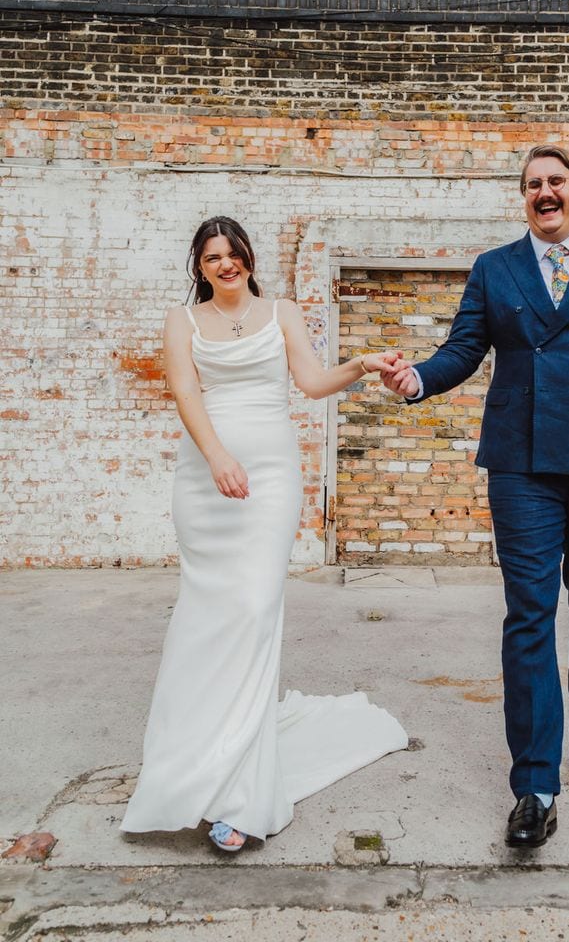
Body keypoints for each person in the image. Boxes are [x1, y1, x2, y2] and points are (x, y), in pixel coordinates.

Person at [381, 146, 569, 849]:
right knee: (529, 612)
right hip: (521, 460)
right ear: (523, 199)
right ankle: (535, 785)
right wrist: (419, 380)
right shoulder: (497, 268)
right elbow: (464, 350)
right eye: (532, 185)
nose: (544, 193)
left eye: (556, 182)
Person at [121, 216, 407, 853]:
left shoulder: (281, 311)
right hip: (205, 481)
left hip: (271, 480)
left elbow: (309, 383)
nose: (226, 264)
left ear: (249, 257)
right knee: (204, 618)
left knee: (254, 612)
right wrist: (218, 457)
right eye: (212, 257)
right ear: (199, 266)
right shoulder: (182, 321)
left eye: (234, 253)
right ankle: (192, 761)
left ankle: (243, 791)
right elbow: (186, 393)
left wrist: (359, 364)